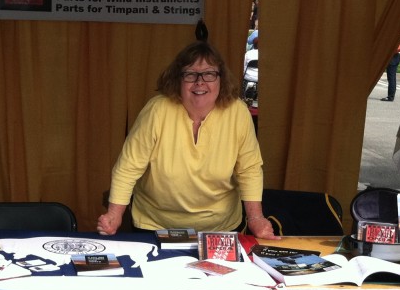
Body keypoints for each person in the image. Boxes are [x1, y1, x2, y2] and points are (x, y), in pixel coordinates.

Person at [96, 40, 279, 240]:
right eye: (190, 74)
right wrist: (115, 214)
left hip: (220, 227)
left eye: (209, 74)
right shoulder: (157, 110)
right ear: (178, 79)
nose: (200, 82)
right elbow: (128, 167)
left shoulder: (238, 113)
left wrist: (255, 218)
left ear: (221, 79)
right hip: (156, 224)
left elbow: (249, 169)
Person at [380, 37, 400, 102]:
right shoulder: (398, 35)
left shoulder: (392, 36)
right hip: (397, 56)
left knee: (391, 78)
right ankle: (391, 95)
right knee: (393, 78)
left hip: (392, 57)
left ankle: (390, 96)